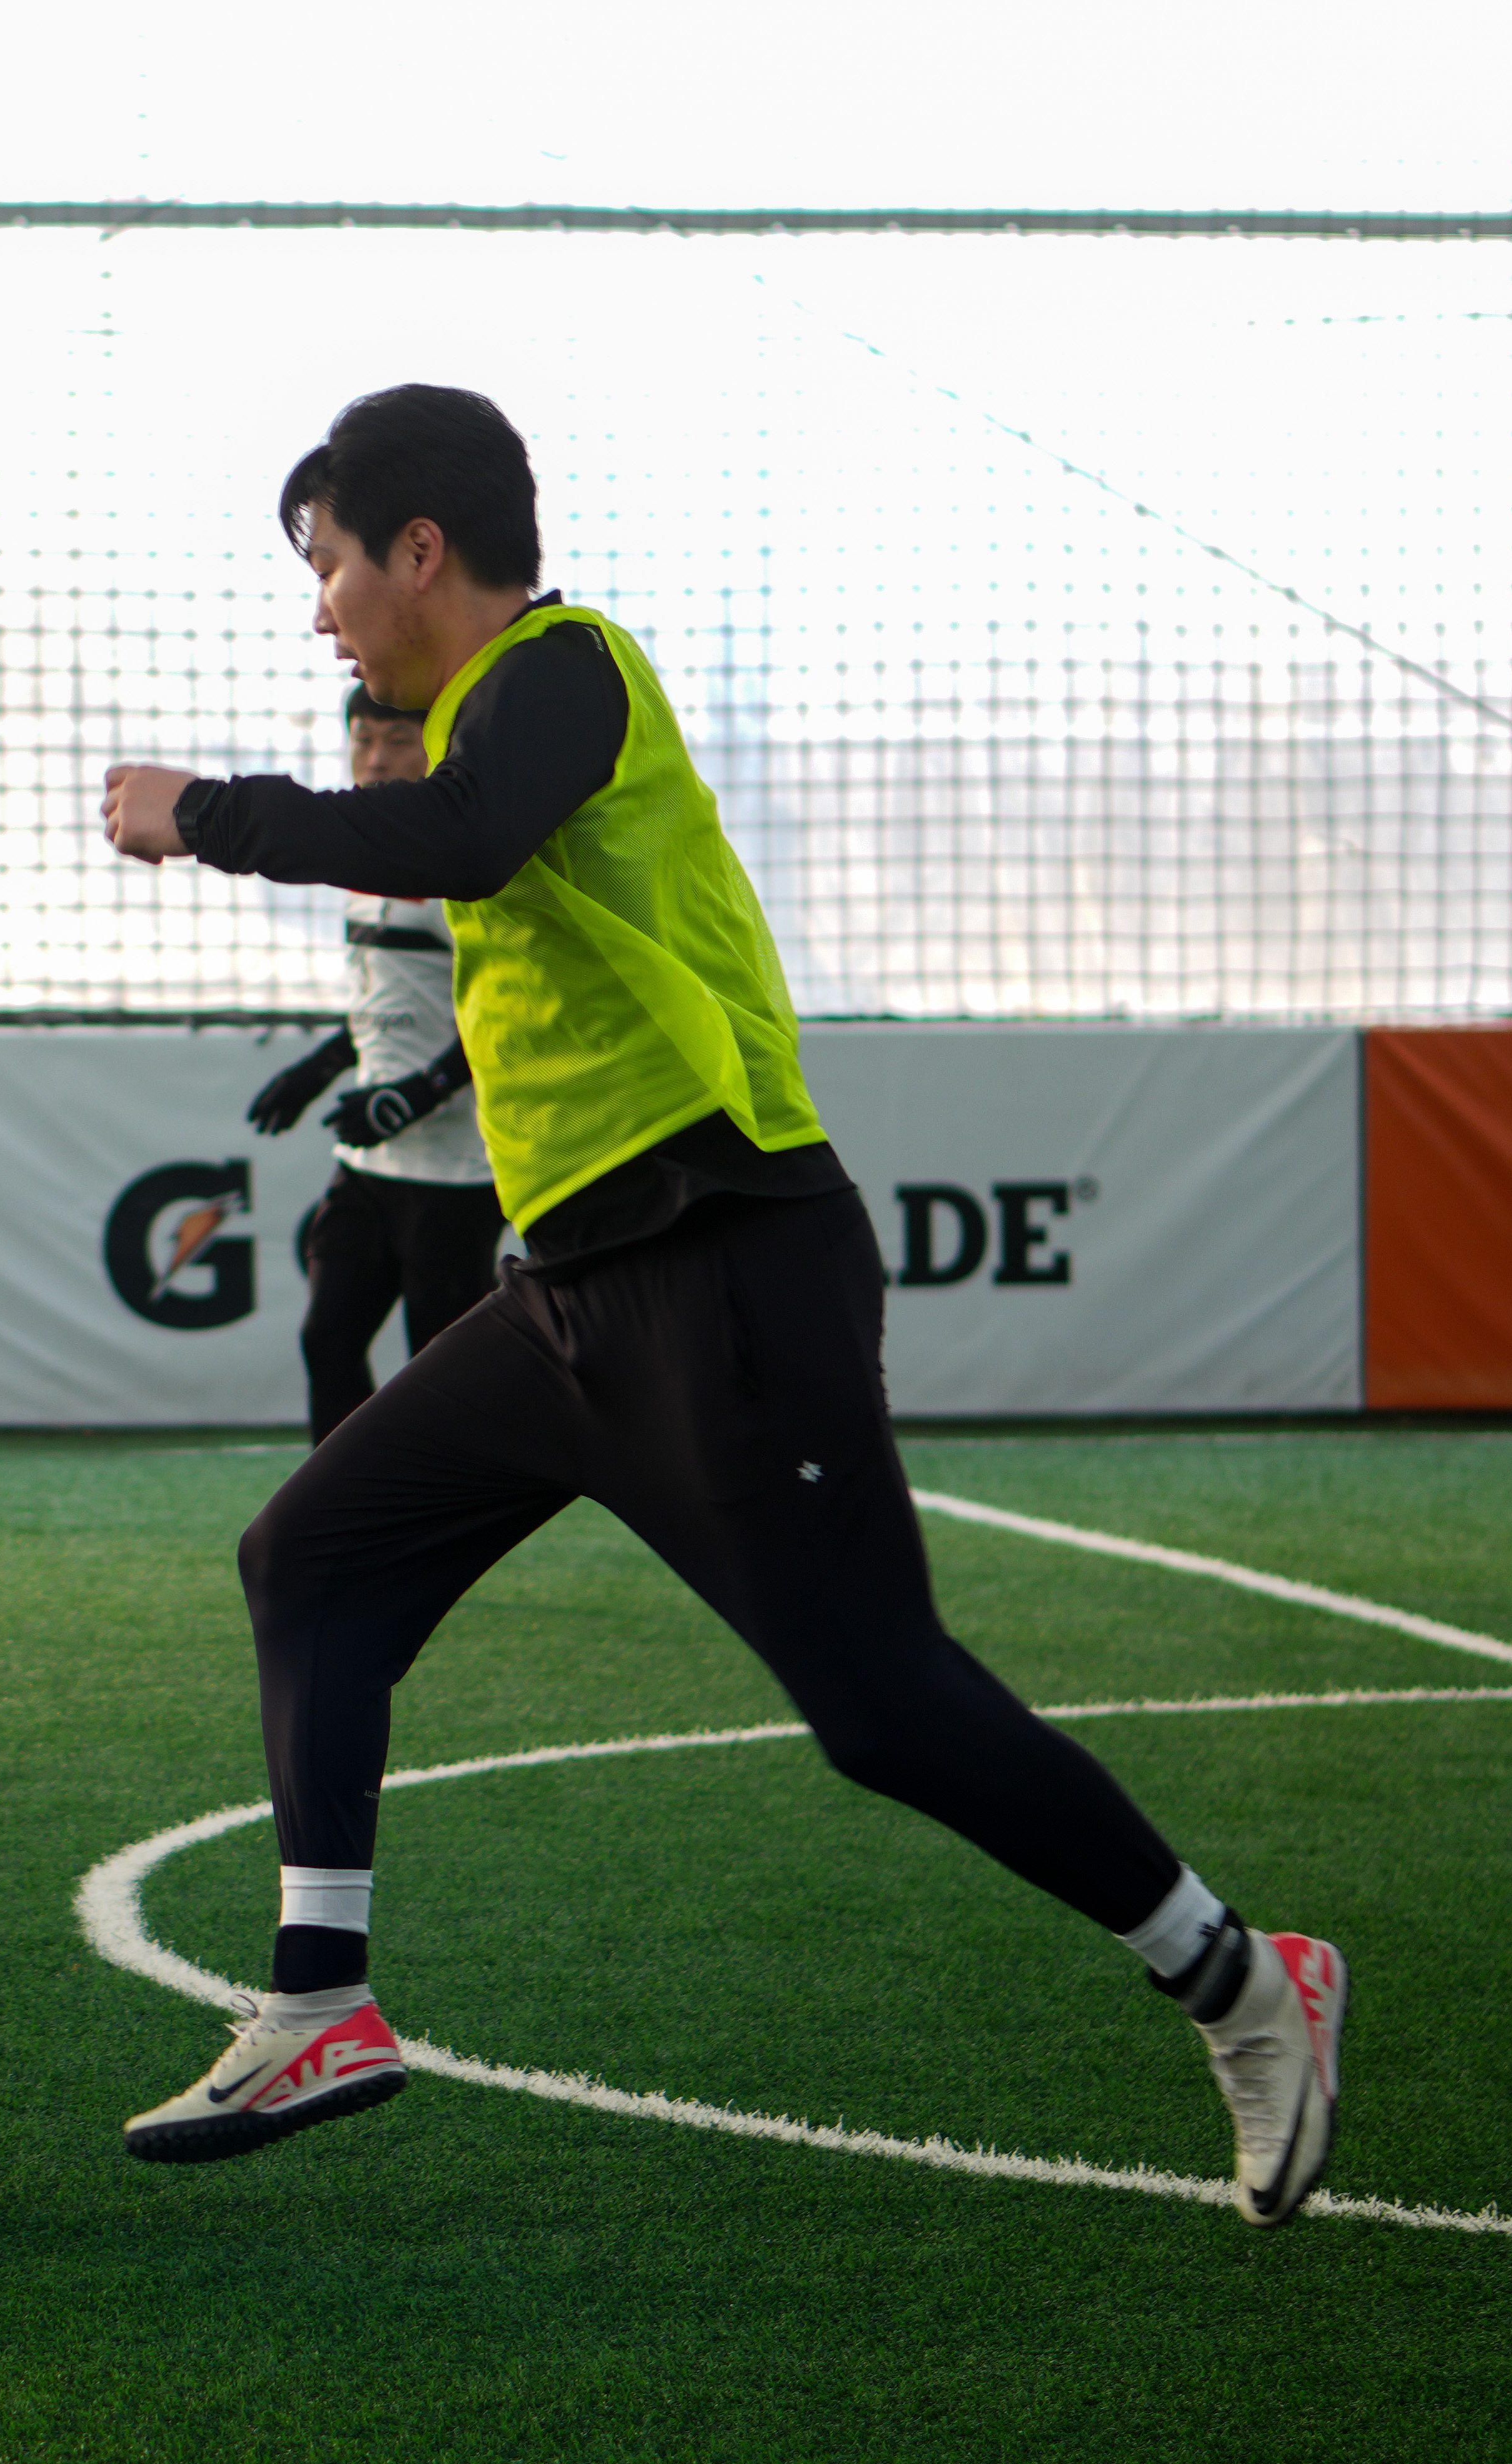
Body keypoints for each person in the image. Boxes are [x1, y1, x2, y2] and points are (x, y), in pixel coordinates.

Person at [96, 385, 1346, 2227]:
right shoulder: (475, 724)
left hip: (727, 1264)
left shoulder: (566, 671)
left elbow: (468, 834)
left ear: (421, 552)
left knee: (881, 1706)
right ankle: (319, 2003)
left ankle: (1238, 1978)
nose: (322, 611)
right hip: (572, 1297)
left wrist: (208, 812)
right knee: (310, 1553)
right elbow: (456, 847)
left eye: (332, 565)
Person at [246, 685, 506, 1443]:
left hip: (456, 1174)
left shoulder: (469, 866)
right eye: (363, 741)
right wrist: (322, 1067)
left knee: (442, 1372)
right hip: (367, 1167)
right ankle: (345, 1498)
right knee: (327, 1341)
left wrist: (416, 1095)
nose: (376, 759)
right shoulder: (363, 862)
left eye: (396, 741)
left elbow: (506, 1015)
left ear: (436, 748)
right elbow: (384, 1001)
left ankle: (445, 1503)